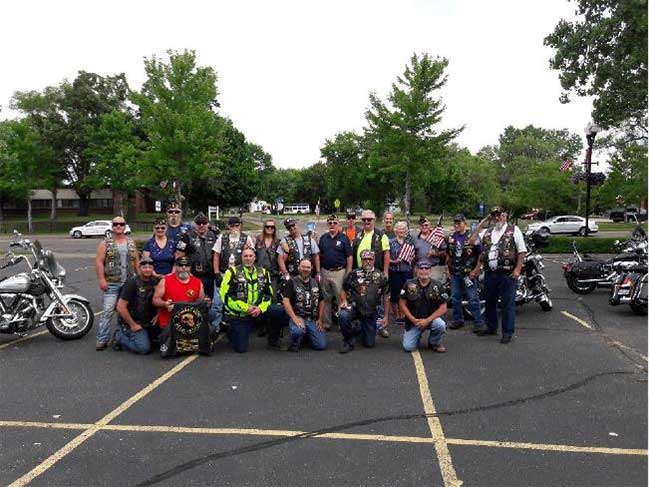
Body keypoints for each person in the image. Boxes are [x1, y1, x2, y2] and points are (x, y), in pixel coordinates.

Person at [220, 248, 287, 352]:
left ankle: (273, 340)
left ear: (255, 258)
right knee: (241, 349)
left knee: (279, 310)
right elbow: (225, 296)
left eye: (250, 256)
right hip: (240, 314)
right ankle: (231, 330)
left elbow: (268, 295)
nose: (248, 258)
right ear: (241, 258)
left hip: (258, 311)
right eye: (245, 256)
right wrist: (246, 308)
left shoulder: (264, 272)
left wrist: (260, 308)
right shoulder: (231, 272)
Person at [476, 207, 527, 344]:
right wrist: (483, 222)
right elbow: (471, 240)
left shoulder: (513, 230)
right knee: (490, 302)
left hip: (507, 273)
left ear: (505, 216)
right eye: (494, 216)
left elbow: (522, 252)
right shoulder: (487, 232)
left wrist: (517, 270)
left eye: (499, 215)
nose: (497, 218)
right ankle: (491, 327)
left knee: (507, 304)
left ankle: (507, 332)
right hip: (490, 273)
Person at [94, 216, 139, 350]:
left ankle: (121, 337)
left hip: (129, 283)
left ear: (125, 226)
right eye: (115, 224)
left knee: (126, 312)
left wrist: (140, 277)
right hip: (112, 283)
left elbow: (136, 260)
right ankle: (102, 339)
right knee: (107, 311)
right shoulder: (105, 243)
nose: (118, 226)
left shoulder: (131, 242)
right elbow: (99, 262)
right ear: (112, 226)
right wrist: (102, 279)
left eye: (121, 224)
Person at [337, 250, 390, 353]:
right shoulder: (354, 273)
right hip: (355, 307)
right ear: (361, 260)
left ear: (374, 260)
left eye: (370, 259)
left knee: (369, 344)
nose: (368, 262)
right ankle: (348, 340)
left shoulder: (381, 276)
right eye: (365, 259)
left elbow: (386, 296)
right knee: (343, 315)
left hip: (371, 312)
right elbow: (343, 289)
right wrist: (344, 301)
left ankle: (359, 328)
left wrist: (386, 316)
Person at [211, 216, 255, 335]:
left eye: (237, 225)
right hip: (224, 273)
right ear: (228, 226)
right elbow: (216, 256)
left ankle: (240, 326)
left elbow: (250, 256)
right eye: (232, 226)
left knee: (239, 300)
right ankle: (215, 327)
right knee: (218, 302)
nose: (235, 228)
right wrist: (216, 273)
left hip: (239, 275)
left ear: (240, 226)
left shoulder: (247, 238)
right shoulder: (222, 237)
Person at [113, 257, 159, 354]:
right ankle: (119, 336)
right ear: (139, 268)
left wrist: (158, 314)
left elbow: (159, 299)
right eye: (144, 267)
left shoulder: (155, 281)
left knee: (160, 341)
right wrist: (133, 325)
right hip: (134, 322)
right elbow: (120, 307)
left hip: (148, 321)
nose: (147, 269)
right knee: (143, 348)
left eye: (150, 267)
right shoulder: (132, 283)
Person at [446, 213, 484, 332]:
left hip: (469, 274)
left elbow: (481, 254)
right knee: (455, 298)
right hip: (455, 273)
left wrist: (477, 269)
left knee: (472, 298)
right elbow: (448, 254)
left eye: (459, 223)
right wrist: (448, 270)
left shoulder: (472, 237)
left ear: (465, 223)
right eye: (455, 223)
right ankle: (458, 320)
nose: (457, 225)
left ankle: (478, 321)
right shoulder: (452, 237)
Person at [400, 260, 448, 353]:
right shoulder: (409, 284)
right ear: (416, 270)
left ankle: (434, 342)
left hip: (431, 319)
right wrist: (413, 319)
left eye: (426, 268)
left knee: (441, 325)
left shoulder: (438, 285)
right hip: (414, 321)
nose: (424, 270)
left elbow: (443, 308)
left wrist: (427, 321)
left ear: (430, 271)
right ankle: (417, 335)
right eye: (421, 268)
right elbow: (402, 304)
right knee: (408, 347)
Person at [282, 258, 327, 352]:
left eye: (308, 267)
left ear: (311, 269)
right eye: (303, 267)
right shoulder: (291, 282)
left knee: (321, 345)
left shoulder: (316, 282)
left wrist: (320, 318)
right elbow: (286, 301)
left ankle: (307, 335)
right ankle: (295, 342)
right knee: (297, 331)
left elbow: (322, 301)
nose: (305, 269)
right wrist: (294, 318)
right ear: (298, 267)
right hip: (298, 317)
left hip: (312, 319)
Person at [318, 214, 353, 330]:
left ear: (338, 225)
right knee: (326, 298)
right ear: (327, 225)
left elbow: (349, 257)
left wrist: (348, 272)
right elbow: (319, 255)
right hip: (325, 271)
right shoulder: (323, 238)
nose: (332, 225)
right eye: (330, 223)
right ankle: (327, 323)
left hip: (339, 272)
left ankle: (342, 323)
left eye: (334, 223)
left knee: (341, 299)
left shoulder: (344, 238)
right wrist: (318, 271)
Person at [176, 212, 219, 299]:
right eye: (199, 223)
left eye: (204, 223)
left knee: (210, 299)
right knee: (194, 298)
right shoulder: (186, 236)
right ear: (195, 224)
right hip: (193, 275)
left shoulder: (214, 235)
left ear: (208, 224)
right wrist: (185, 271)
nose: (201, 225)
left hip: (210, 275)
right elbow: (179, 254)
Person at [388, 221, 415, 326]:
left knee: (406, 294)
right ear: (395, 230)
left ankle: (404, 314)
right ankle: (396, 316)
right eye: (399, 228)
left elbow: (413, 256)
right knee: (395, 294)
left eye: (403, 229)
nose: (401, 231)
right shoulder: (391, 242)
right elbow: (385, 258)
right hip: (394, 272)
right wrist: (393, 261)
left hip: (407, 271)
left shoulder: (410, 242)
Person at [351, 210, 390, 274]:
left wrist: (386, 272)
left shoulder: (382, 236)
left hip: (376, 272)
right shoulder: (357, 235)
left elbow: (386, 254)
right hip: (359, 272)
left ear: (374, 220)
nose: (366, 221)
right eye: (364, 219)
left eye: (369, 219)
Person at [414, 216, 448, 283]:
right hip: (420, 269)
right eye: (422, 225)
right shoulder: (415, 239)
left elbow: (446, 252)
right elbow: (413, 255)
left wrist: (436, 253)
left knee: (434, 290)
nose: (424, 227)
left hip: (434, 268)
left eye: (426, 225)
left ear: (430, 226)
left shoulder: (437, 237)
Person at [254, 219, 282, 301]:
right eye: (267, 226)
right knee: (258, 298)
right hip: (258, 275)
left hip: (273, 276)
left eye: (272, 227)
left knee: (273, 299)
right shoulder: (256, 240)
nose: (270, 228)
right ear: (264, 228)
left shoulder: (278, 242)